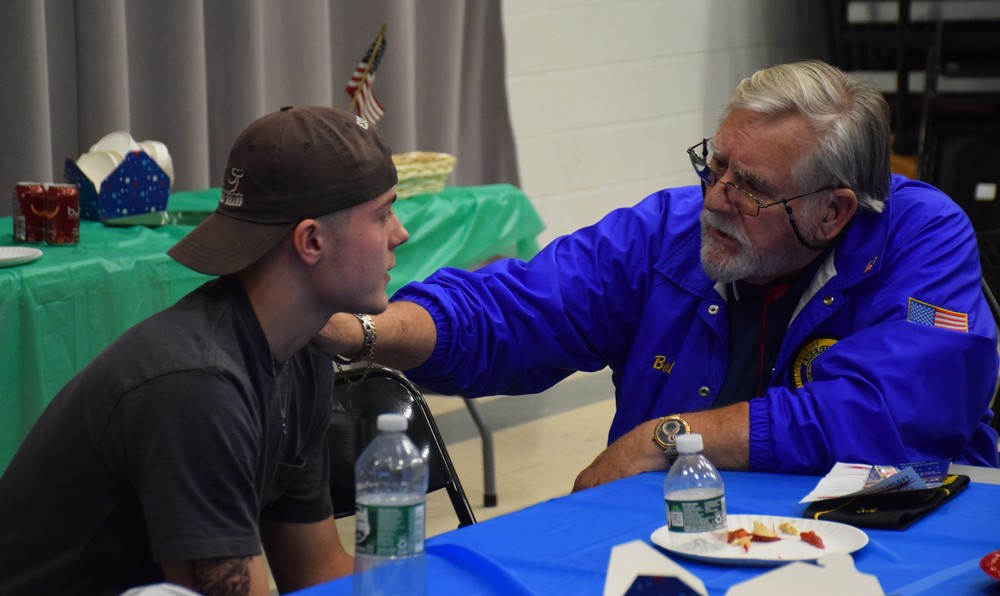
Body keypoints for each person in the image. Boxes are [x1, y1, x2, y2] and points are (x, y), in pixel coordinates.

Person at [317, 60, 999, 492]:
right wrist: (362, 331)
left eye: (750, 186)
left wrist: (665, 436)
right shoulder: (667, 233)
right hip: (699, 532)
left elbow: (892, 412)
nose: (715, 197)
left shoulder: (920, 246)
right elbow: (517, 310)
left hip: (889, 529)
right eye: (715, 164)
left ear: (833, 212)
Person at [0, 106, 409, 595]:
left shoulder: (301, 354)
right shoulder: (197, 386)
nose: (400, 233)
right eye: (382, 214)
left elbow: (316, 572)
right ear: (311, 240)